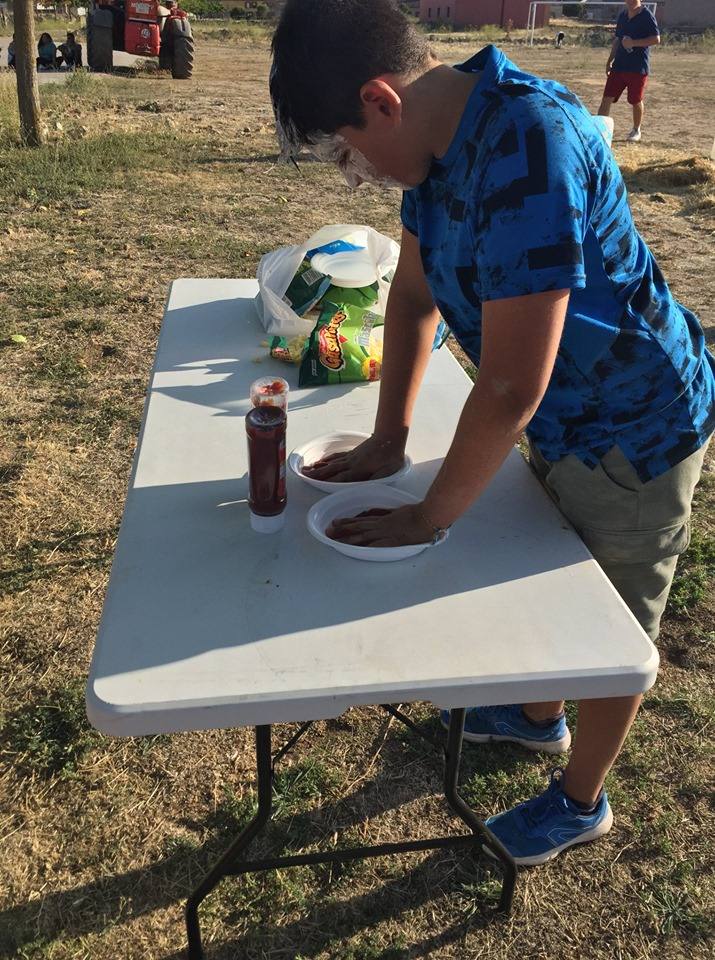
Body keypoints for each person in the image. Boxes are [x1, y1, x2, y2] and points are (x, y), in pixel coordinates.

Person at [270, 0, 715, 867]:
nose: (354, 177)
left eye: (345, 152)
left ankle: (580, 801)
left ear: (380, 100)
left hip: (632, 430)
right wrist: (388, 439)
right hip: (561, 416)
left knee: (611, 627)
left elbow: (511, 381)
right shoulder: (435, 146)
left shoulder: (527, 145)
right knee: (552, 574)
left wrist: (429, 516)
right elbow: (411, 296)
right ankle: (537, 716)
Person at [598, 0, 660, 143]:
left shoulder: (647, 15)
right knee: (607, 98)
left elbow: (656, 39)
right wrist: (610, 60)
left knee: (635, 100)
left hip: (637, 67)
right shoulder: (623, 16)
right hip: (619, 65)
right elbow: (618, 40)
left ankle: (636, 129)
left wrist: (633, 43)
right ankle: (600, 130)